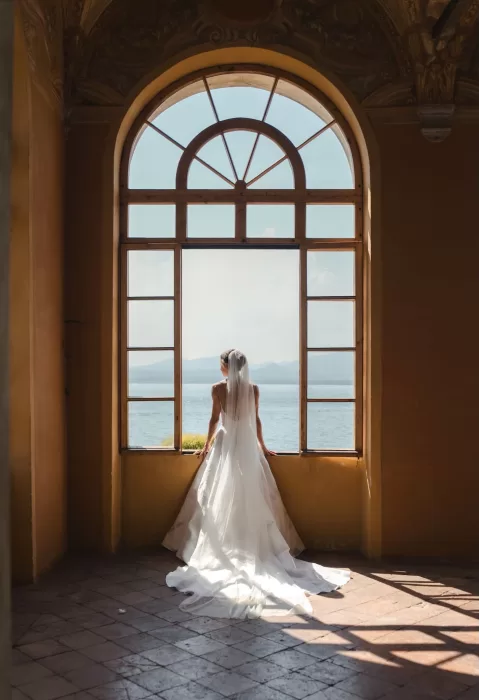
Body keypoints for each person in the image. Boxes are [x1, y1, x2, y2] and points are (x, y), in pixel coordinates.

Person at [163, 349, 349, 618]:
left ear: (226, 367)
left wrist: (206, 445)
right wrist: (262, 446)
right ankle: (246, 546)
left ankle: (224, 548)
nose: (220, 369)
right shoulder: (254, 389)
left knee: (217, 497)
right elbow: (256, 419)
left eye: (221, 365)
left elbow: (215, 420)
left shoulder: (217, 389)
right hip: (247, 445)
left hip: (227, 445)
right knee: (250, 496)